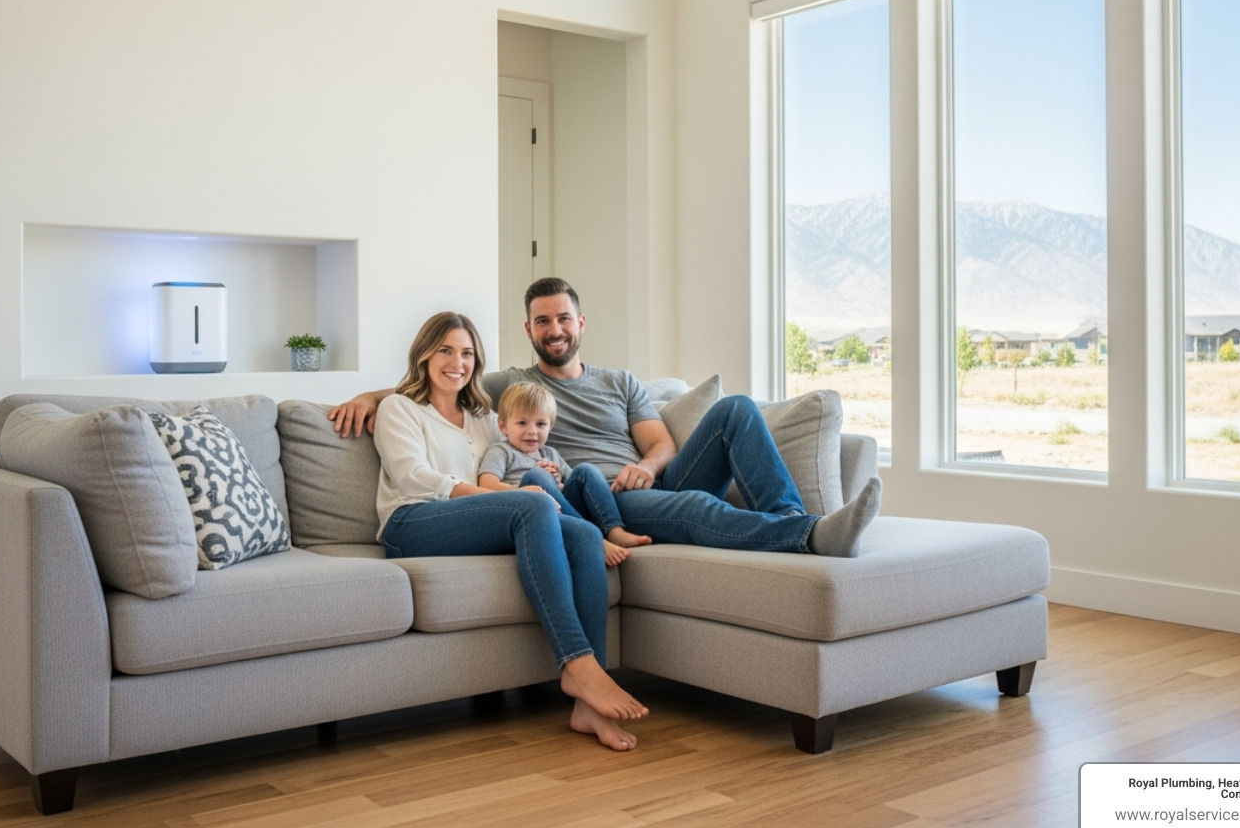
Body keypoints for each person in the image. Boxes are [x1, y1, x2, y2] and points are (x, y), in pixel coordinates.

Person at [331, 278, 881, 558]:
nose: (554, 329)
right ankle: (807, 538)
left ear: (580, 322)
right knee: (694, 506)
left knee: (734, 409)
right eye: (542, 321)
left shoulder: (620, 382)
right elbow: (450, 380)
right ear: (528, 331)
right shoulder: (515, 388)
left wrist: (649, 462)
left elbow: (661, 442)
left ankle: (794, 526)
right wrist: (375, 396)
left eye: (562, 318)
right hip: (599, 497)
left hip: (647, 481)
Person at [370, 310, 645, 751]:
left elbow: (520, 448)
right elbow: (412, 476)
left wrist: (541, 484)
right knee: (532, 504)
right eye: (444, 350)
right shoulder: (398, 408)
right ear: (423, 354)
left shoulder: (483, 415)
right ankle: (579, 664)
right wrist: (500, 498)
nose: (456, 362)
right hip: (413, 522)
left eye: (466, 353)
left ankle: (588, 708)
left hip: (475, 521)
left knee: (585, 536)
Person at [476, 383, 642, 566]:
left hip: (564, 508)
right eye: (522, 423)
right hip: (537, 513)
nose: (532, 431)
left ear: (551, 426)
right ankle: (598, 540)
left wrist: (557, 481)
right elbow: (486, 483)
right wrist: (525, 490)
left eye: (541, 424)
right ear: (503, 426)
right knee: (538, 476)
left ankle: (614, 530)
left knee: (586, 469)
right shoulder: (501, 451)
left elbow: (574, 482)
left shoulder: (550, 453)